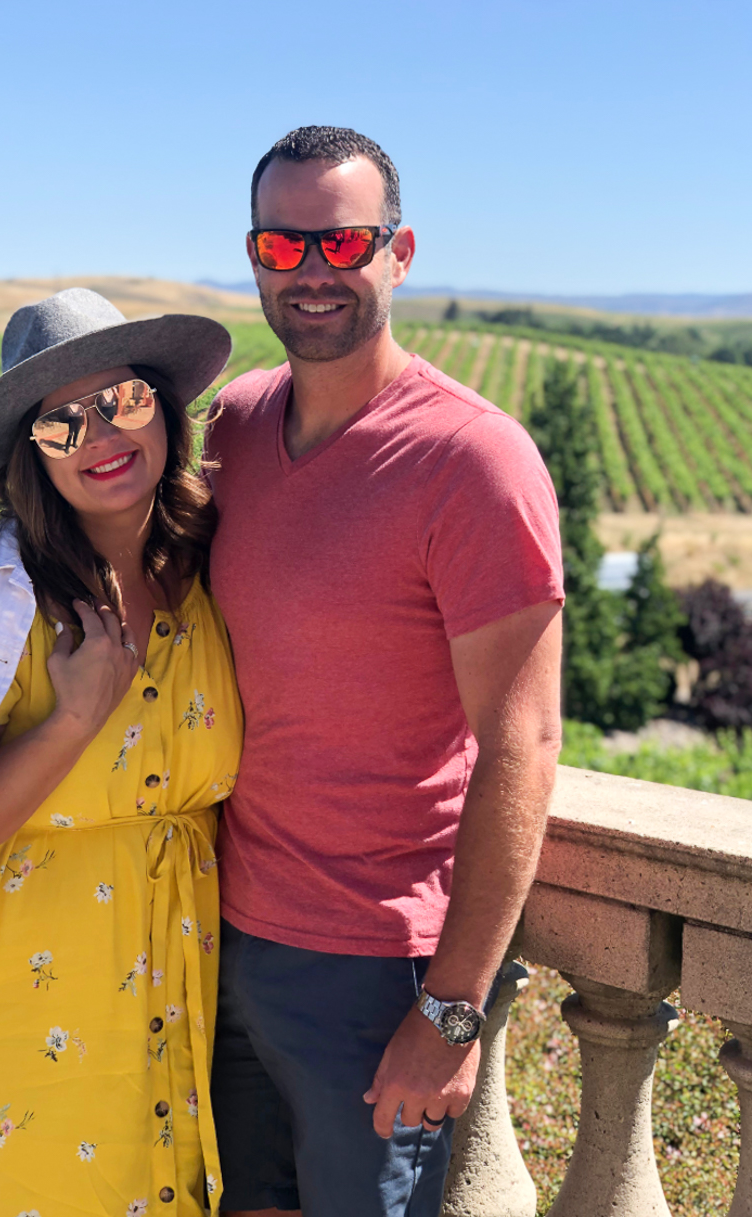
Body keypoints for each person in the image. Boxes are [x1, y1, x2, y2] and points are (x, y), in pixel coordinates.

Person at [204, 126, 565, 1217]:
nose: (310, 269)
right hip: (220, 936)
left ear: (398, 252)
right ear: (255, 255)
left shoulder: (473, 460)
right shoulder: (236, 423)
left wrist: (453, 1011)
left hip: (375, 974)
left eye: (342, 239)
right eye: (282, 242)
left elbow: (524, 747)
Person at [0, 288, 243, 1216]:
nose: (102, 435)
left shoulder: (209, 572)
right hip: (3, 1023)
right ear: (29, 457)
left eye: (124, 401)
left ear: (164, 407)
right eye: (62, 424)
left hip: (163, 1000)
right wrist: (69, 723)